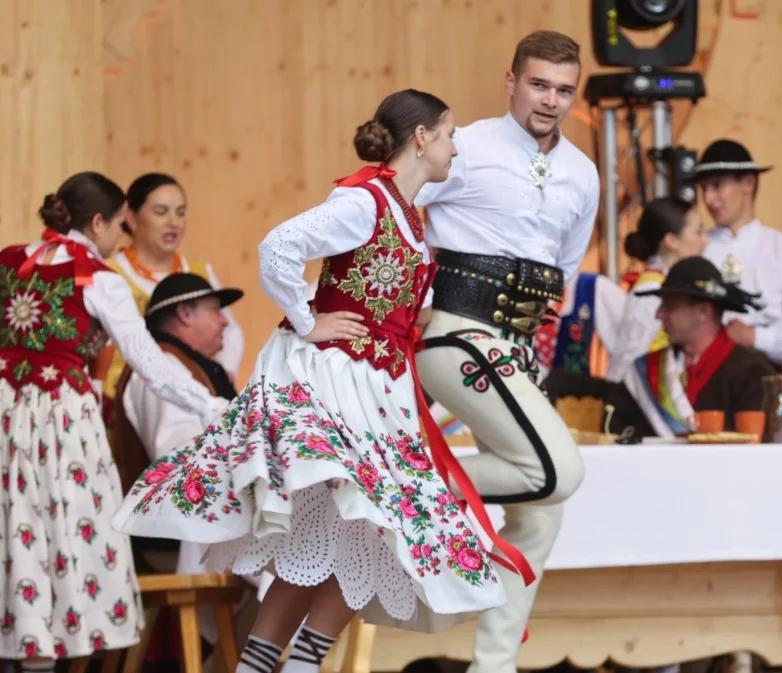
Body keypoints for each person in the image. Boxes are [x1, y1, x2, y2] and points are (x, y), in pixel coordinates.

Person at [114, 89, 528, 673]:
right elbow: (280, 245)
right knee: (350, 526)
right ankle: (265, 666)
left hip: (379, 390)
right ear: (421, 138)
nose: (455, 147)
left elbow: (404, 306)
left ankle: (292, 665)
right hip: (335, 382)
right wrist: (308, 320)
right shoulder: (363, 200)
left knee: (367, 536)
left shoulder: (408, 215)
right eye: (450, 133)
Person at [412, 30, 598, 673]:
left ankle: (493, 666)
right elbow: (394, 211)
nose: (551, 100)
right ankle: (400, 480)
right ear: (511, 81)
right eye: (540, 84)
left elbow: (562, 273)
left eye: (564, 90)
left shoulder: (583, 172)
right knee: (558, 471)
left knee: (542, 512)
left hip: (516, 350)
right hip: (455, 334)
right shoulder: (467, 147)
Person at [0, 172, 226, 671]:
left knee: (16, 534)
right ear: (99, 222)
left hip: (6, 415)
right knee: (61, 537)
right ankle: (42, 656)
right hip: (61, 422)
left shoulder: (9, 262)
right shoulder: (99, 277)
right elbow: (152, 364)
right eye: (120, 224)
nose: (118, 237)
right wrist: (211, 407)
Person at [111, 272, 243, 573]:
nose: (225, 321)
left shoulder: (184, 366)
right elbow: (177, 454)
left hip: (197, 526)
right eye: (215, 310)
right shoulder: (163, 371)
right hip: (173, 538)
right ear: (184, 313)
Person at [96, 173, 245, 405]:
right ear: (132, 219)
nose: (173, 222)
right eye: (161, 212)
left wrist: (222, 374)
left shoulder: (199, 272)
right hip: (121, 404)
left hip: (193, 395)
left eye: (180, 212)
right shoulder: (108, 274)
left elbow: (231, 331)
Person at [607, 256, 775, 438]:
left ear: (703, 311)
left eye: (669, 306)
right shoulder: (643, 371)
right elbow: (617, 436)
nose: (658, 314)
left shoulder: (752, 372)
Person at [697, 139, 782, 367]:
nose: (708, 199)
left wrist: (756, 337)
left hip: (766, 380)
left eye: (716, 185)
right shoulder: (697, 248)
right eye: (703, 189)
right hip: (703, 381)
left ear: (748, 183)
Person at [605, 197, 707, 383]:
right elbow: (631, 363)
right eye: (698, 232)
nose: (705, 241)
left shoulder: (663, 285)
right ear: (672, 241)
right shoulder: (650, 293)